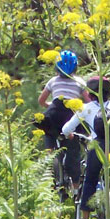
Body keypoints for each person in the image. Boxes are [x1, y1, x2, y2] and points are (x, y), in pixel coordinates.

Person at [61, 76, 110, 219]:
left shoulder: (85, 109)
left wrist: (69, 134)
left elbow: (66, 129)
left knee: (90, 179)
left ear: (89, 92)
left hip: (98, 146)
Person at [35, 49, 86, 190]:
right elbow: (88, 101)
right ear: (76, 67)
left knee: (48, 130)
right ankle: (76, 188)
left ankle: (49, 157)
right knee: (73, 152)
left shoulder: (53, 81)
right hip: (71, 117)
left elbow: (41, 100)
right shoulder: (79, 82)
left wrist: (49, 105)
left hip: (54, 114)